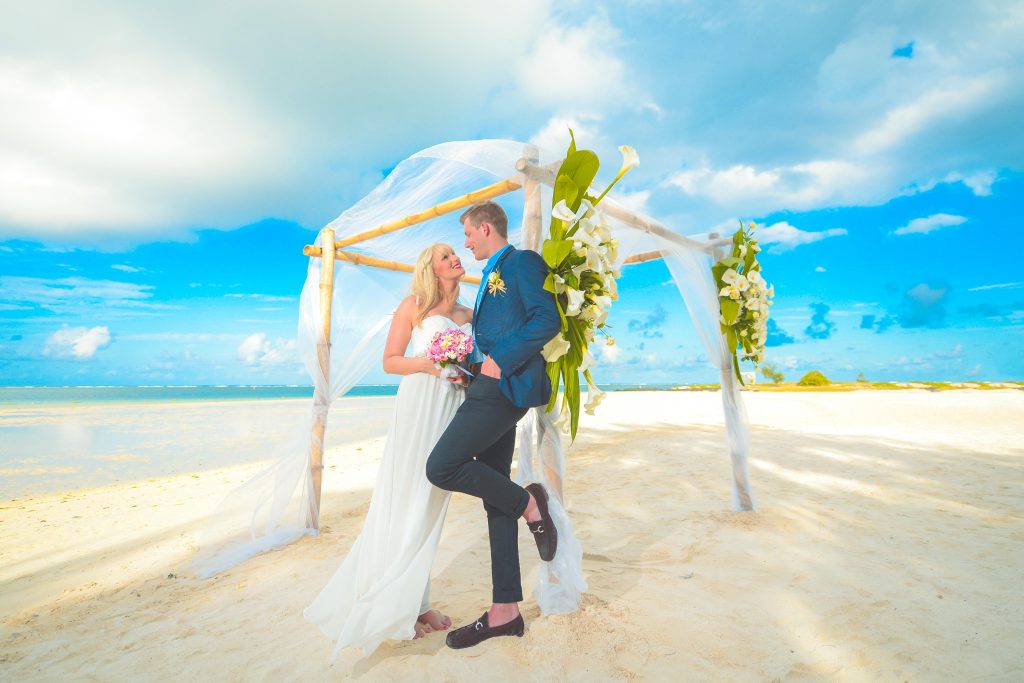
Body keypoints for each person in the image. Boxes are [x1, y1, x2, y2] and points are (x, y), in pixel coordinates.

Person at [303, 243, 472, 658]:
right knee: (406, 499)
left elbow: (472, 363)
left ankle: (418, 602)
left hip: (451, 408)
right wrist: (432, 364)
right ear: (430, 267)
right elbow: (390, 361)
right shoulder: (413, 305)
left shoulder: (469, 314)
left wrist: (462, 373)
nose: (454, 257)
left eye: (456, 251)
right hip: (419, 406)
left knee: (432, 505)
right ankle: (396, 605)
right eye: (445, 254)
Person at [425, 201, 562, 650]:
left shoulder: (522, 261)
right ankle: (506, 611)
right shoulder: (488, 276)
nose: (464, 243)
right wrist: (469, 362)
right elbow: (494, 331)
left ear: (485, 228)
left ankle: (529, 503)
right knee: (493, 499)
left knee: (442, 466)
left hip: (504, 387)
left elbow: (548, 317)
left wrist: (498, 362)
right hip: (485, 384)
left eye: (466, 234)